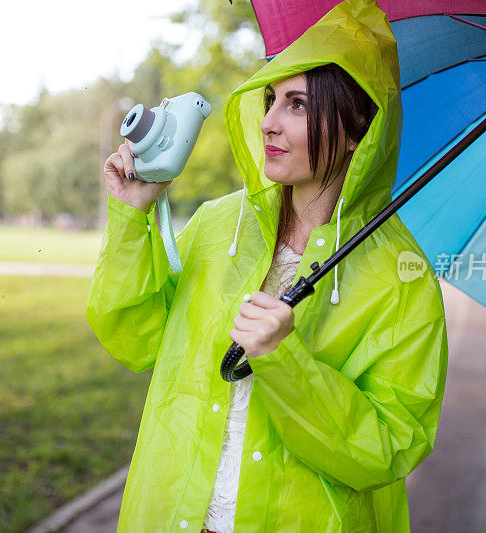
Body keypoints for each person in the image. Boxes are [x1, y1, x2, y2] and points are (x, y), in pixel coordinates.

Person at [86, 1, 448, 531]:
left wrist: (285, 359)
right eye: (271, 99)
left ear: (357, 126)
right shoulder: (218, 226)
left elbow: (390, 446)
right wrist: (130, 219)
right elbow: (136, 340)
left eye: (297, 105)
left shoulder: (401, 278)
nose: (269, 123)